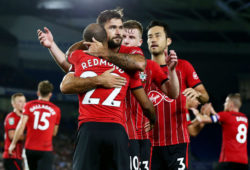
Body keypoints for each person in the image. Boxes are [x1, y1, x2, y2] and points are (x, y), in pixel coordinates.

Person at [60, 23, 156, 170]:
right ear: (106, 39)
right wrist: (153, 120)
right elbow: (147, 105)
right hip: (116, 131)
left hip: (88, 129)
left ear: (88, 43)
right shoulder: (127, 65)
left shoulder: (79, 57)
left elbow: (65, 80)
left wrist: (87, 43)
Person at [146, 20, 209, 170]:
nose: (153, 39)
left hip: (178, 142)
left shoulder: (183, 66)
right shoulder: (142, 70)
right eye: (149, 37)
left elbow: (205, 96)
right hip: (148, 144)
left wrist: (197, 94)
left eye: (157, 35)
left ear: (168, 41)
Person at [122, 20, 179, 170]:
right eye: (123, 37)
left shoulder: (151, 66)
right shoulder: (110, 62)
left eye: (131, 37)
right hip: (119, 133)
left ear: (140, 42)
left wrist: (171, 70)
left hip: (144, 136)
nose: (126, 41)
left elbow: (173, 93)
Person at [8, 80, 61, 170]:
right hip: (45, 149)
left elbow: (21, 126)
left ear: (38, 93)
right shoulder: (56, 110)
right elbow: (54, 133)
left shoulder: (28, 105)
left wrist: (13, 144)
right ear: (50, 95)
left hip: (30, 149)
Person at [200, 93, 248, 170]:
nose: (224, 104)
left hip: (229, 161)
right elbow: (227, 122)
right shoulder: (245, 118)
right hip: (243, 162)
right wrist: (213, 112)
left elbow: (203, 120)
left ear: (231, 104)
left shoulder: (225, 115)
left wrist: (198, 113)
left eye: (226, 102)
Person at [3, 93, 26, 170]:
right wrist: (30, 136)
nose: (23, 104)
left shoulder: (23, 118)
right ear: (13, 104)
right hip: (11, 156)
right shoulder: (11, 117)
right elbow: (12, 135)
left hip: (18, 156)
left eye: (24, 101)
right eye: (20, 101)